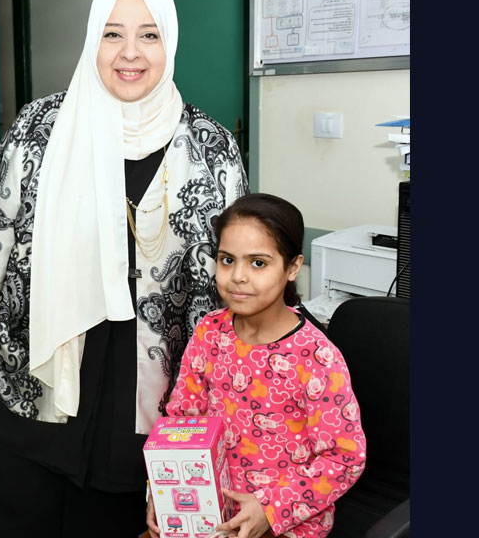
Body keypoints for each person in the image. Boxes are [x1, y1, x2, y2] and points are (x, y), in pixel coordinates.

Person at [0, 0, 248, 537]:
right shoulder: (40, 128)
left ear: (171, 45)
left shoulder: (211, 147)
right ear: (93, 41)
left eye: (149, 36)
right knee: (23, 509)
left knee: (118, 514)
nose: (130, 54)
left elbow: (228, 272)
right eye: (112, 35)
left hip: (152, 380)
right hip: (40, 360)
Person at [151, 193, 366, 538]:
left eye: (258, 263)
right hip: (208, 514)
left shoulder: (316, 357)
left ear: (293, 267)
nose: (238, 276)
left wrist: (270, 509)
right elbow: (181, 420)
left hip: (287, 526)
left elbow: (344, 459)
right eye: (226, 260)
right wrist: (162, 490)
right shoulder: (210, 331)